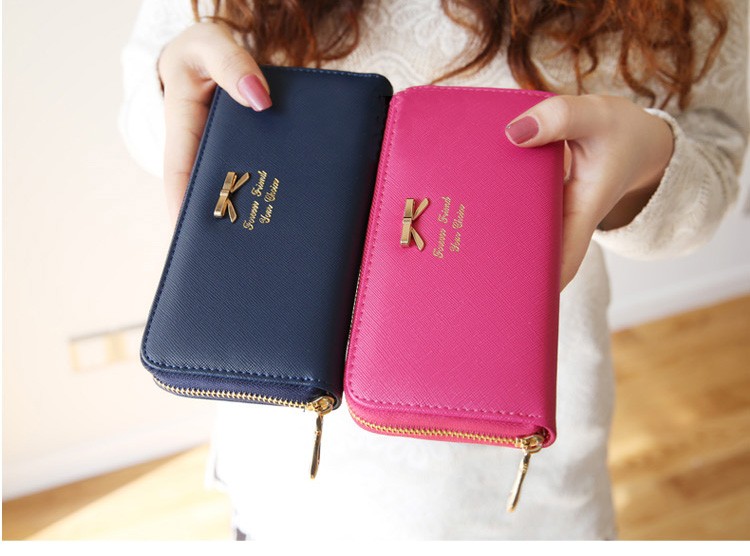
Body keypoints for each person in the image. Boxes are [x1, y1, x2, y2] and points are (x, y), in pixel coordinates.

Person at [120, 0, 749, 540]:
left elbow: (716, 162)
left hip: (510, 475)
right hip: (280, 454)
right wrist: (177, 95)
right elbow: (153, 98)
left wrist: (649, 160)